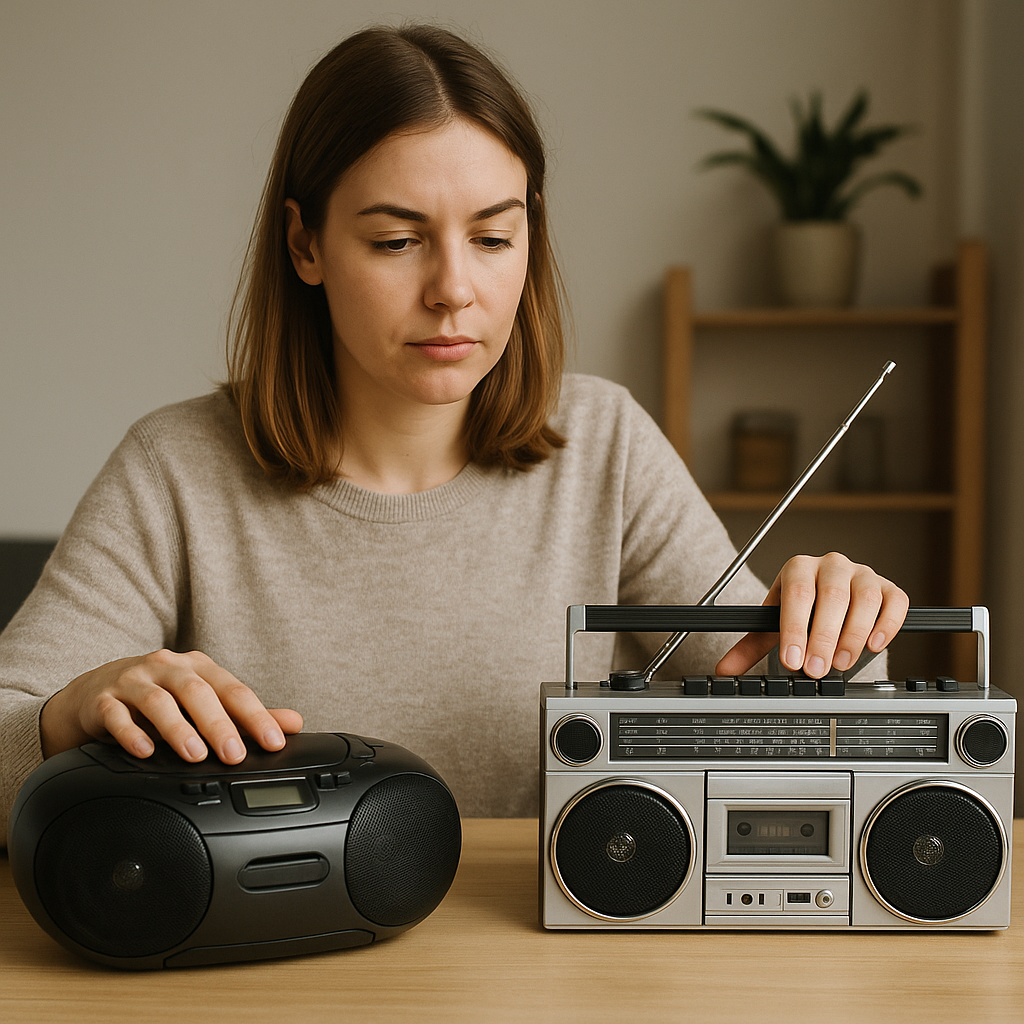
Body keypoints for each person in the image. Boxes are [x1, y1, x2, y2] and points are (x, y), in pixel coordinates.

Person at [0, 25, 908, 831]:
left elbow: (823, 748)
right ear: (305, 244)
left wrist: (834, 643)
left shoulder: (605, 444)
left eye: (492, 237)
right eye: (396, 241)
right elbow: (11, 724)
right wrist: (67, 714)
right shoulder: (178, 468)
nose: (452, 290)